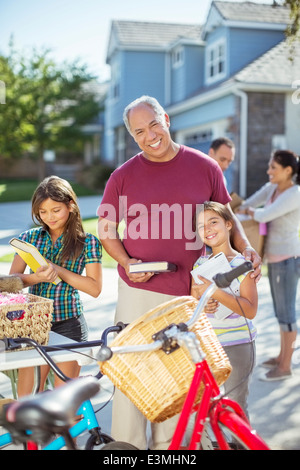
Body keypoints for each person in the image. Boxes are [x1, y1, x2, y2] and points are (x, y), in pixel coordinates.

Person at [97, 95, 261, 450]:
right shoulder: (122, 176)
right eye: (139, 132)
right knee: (132, 374)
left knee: (177, 383)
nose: (150, 135)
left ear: (167, 119)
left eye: (154, 124)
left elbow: (228, 219)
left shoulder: (205, 167)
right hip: (138, 292)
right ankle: (128, 449)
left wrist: (246, 247)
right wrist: (126, 262)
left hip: (191, 293)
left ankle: (169, 450)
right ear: (132, 136)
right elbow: (106, 229)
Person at [10, 176, 102, 396]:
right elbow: (11, 283)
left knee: (64, 404)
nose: (49, 217)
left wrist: (57, 270)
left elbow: (94, 288)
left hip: (69, 325)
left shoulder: (87, 242)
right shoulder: (29, 239)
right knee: (28, 399)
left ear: (70, 205)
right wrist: (37, 278)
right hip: (33, 327)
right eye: (43, 212)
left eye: (55, 210)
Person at [237, 149, 300, 381]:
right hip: (274, 258)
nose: (268, 171)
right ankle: (282, 355)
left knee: (287, 313)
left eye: (273, 167)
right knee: (279, 311)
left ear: (288, 171)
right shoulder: (272, 188)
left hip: (288, 259)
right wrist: (245, 209)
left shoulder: (295, 193)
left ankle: (285, 366)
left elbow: (264, 215)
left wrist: (250, 211)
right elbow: (248, 204)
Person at [191, 201, 258, 416]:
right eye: (202, 226)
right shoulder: (199, 264)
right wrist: (203, 303)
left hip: (238, 344)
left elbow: (250, 310)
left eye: (213, 222)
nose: (208, 229)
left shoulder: (242, 264)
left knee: (235, 408)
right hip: (208, 346)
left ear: (229, 224)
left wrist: (216, 292)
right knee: (203, 408)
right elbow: (194, 299)